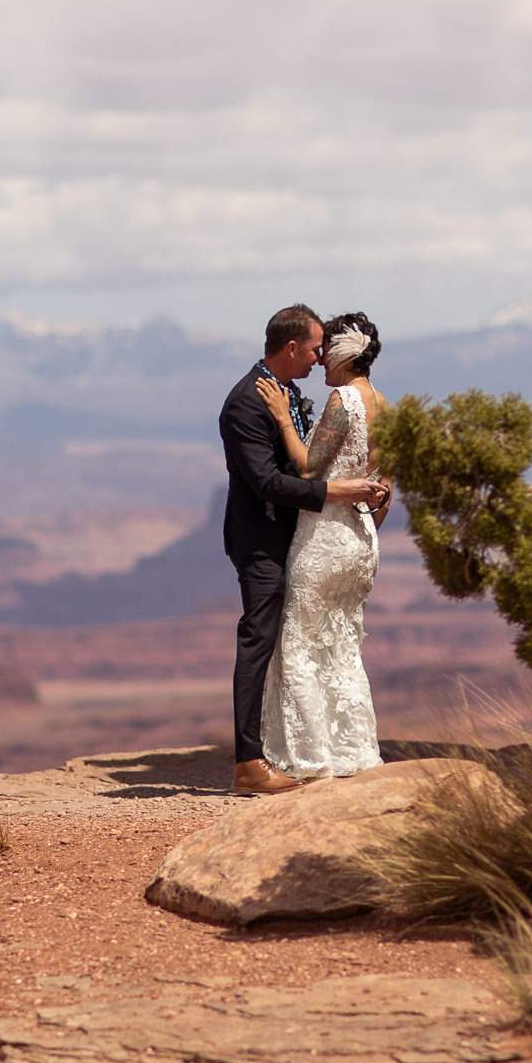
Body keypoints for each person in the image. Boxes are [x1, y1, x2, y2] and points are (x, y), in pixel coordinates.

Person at [219, 305, 391, 795]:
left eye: (324, 350)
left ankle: (314, 752)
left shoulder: (297, 396)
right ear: (292, 347)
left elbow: (310, 467)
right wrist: (351, 499)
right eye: (314, 349)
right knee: (265, 641)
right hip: (263, 543)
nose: (318, 360)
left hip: (312, 540)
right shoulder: (246, 403)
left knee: (307, 643)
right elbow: (269, 483)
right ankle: (251, 763)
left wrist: (348, 501)